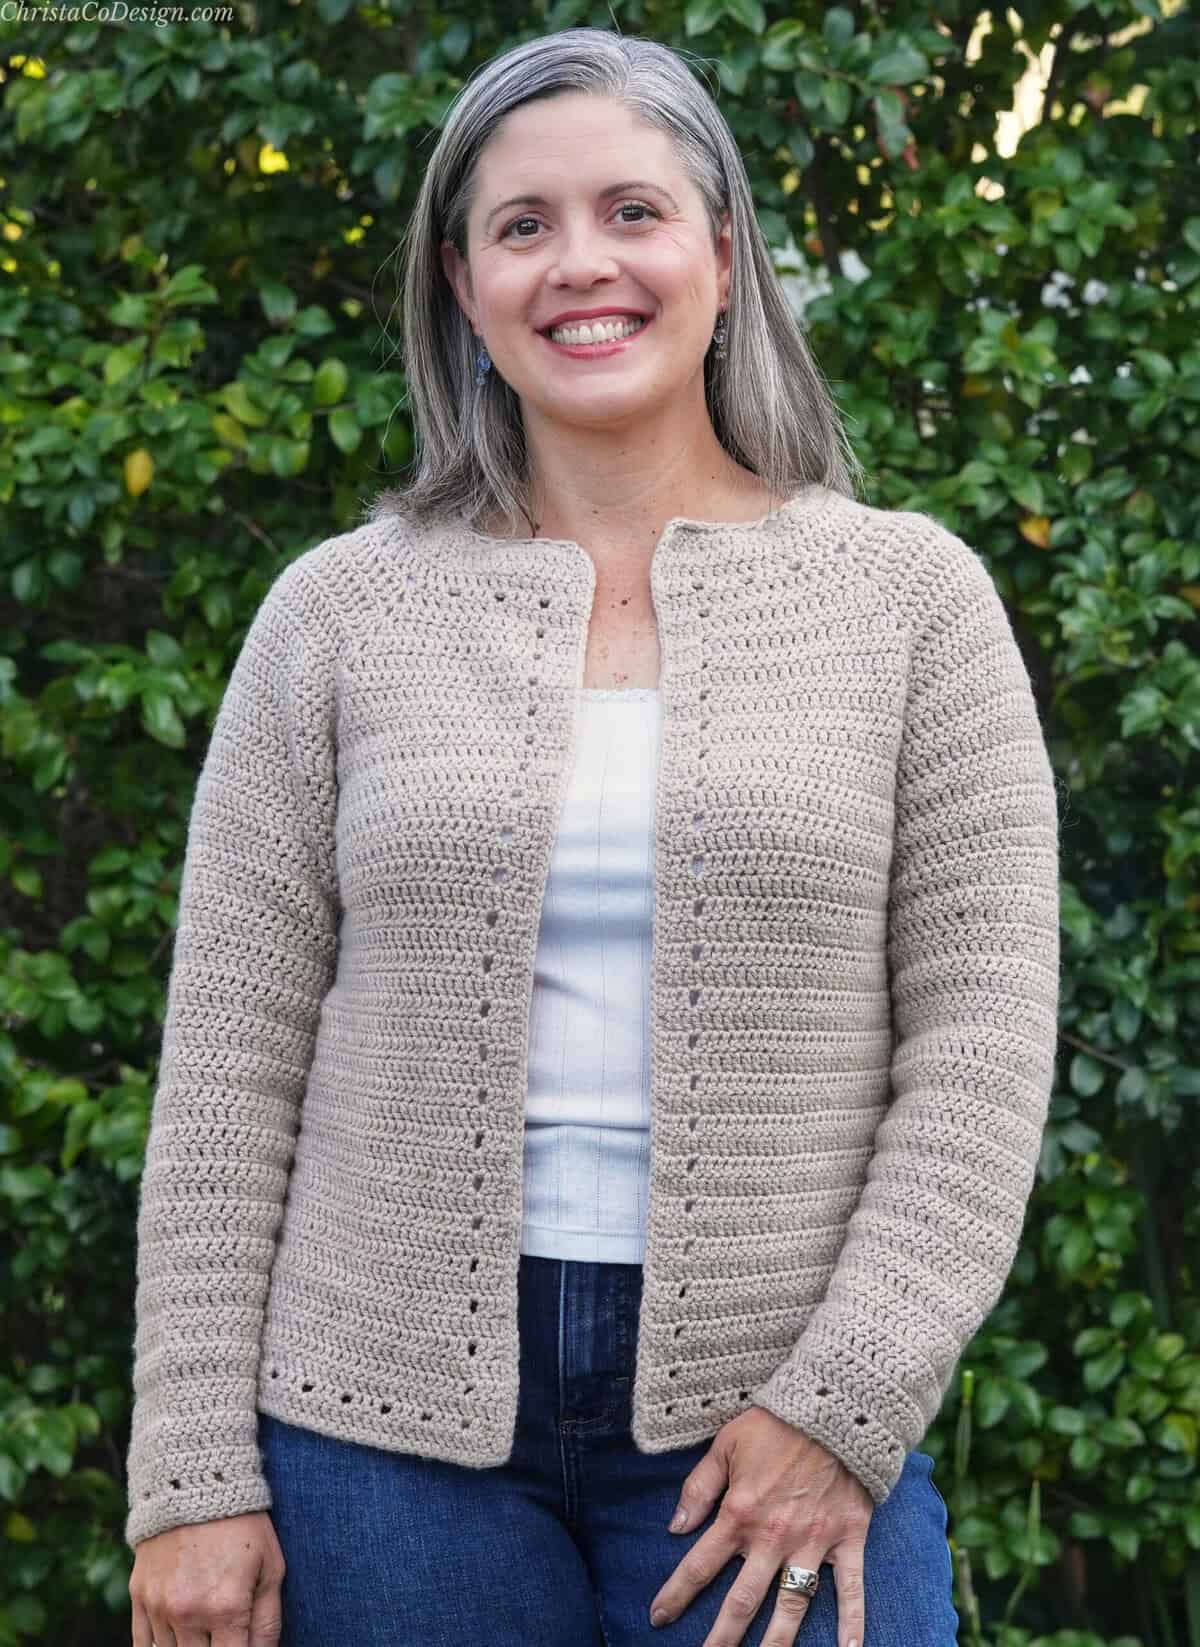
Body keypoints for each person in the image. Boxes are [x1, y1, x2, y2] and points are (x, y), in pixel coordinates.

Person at [126, 26, 1061, 1647]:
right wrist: (192, 1472)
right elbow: (225, 1064)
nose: (582, 265)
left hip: (768, 1399)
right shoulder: (339, 616)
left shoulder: (912, 601)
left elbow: (980, 1049)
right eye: (523, 225)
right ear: (462, 284)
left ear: (720, 250)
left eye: (631, 210)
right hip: (380, 1433)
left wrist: (845, 1403)